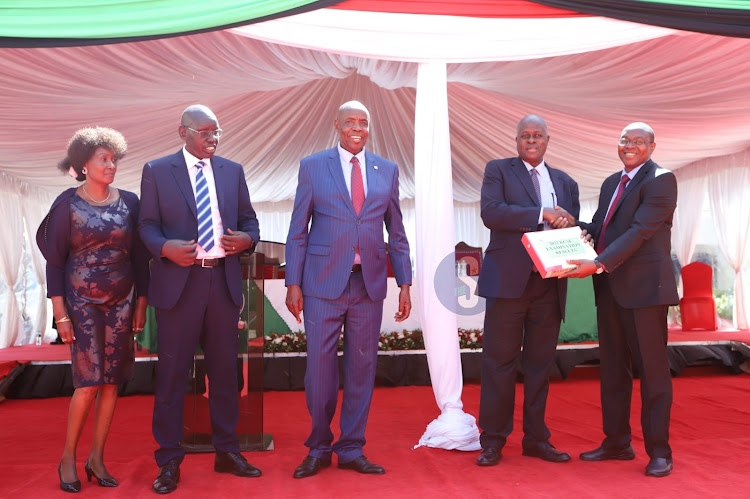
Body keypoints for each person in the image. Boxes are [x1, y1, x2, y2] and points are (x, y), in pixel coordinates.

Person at [285, 100, 412, 478]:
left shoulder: (386, 170)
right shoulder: (312, 166)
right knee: (320, 372)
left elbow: (397, 232)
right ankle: (319, 446)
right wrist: (294, 283)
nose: (358, 128)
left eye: (364, 122)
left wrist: (404, 282)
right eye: (351, 122)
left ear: (369, 128)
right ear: (337, 125)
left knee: (362, 369)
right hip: (322, 285)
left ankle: (352, 447)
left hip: (368, 285)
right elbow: (297, 231)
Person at [138, 105, 261, 494]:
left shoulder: (232, 171)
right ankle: (170, 460)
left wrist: (248, 240)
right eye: (205, 131)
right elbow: (146, 225)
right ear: (183, 132)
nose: (213, 138)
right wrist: (163, 248)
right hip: (179, 286)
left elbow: (250, 220)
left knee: (225, 375)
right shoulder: (157, 171)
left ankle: (227, 451)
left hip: (222, 285)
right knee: (173, 378)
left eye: (217, 131)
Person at [36, 127, 149, 493]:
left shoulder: (131, 202)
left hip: (122, 302)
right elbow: (54, 262)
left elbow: (142, 259)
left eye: (114, 158)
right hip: (81, 305)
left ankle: (97, 457)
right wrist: (60, 314)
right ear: (83, 164)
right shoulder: (67, 204)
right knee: (88, 383)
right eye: (103, 158)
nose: (111, 164)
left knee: (112, 383)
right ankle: (68, 456)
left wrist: (141, 304)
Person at [564, 122, 678, 477]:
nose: (630, 146)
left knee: (653, 372)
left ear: (653, 146)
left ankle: (660, 451)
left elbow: (641, 230)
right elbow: (604, 229)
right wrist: (577, 228)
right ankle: (617, 442)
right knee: (613, 370)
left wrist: (598, 262)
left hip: (645, 291)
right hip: (611, 288)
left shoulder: (661, 179)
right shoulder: (612, 182)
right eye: (625, 140)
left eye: (638, 141)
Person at [475, 114, 579, 467]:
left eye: (537, 135)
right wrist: (543, 213)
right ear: (516, 140)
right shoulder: (499, 170)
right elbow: (492, 213)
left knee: (539, 366)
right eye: (525, 135)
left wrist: (569, 224)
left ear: (548, 139)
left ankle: (536, 439)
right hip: (508, 284)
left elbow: (571, 227)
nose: (531, 140)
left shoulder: (566, 182)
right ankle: (492, 440)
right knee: (498, 364)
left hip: (550, 285)